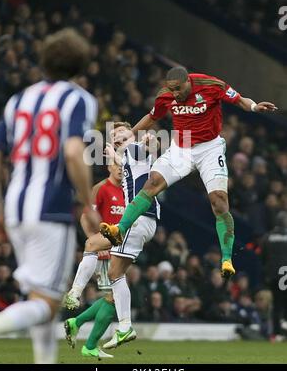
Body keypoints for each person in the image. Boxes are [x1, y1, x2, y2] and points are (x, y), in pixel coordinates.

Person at [0, 28, 99, 364]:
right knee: (48, 303)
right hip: (52, 210)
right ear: (81, 66)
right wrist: (87, 202)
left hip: (16, 208)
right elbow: (73, 151)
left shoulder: (18, 100)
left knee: (41, 298)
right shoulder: (79, 99)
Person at [100, 66, 277, 278]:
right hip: (181, 147)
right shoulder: (165, 95)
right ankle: (119, 230)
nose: (174, 94)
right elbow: (152, 116)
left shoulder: (211, 85)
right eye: (171, 90)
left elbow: (239, 99)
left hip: (210, 148)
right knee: (152, 182)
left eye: (178, 89)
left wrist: (255, 106)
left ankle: (227, 259)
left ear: (188, 82)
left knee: (219, 201)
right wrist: (130, 132)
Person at [65, 122, 159, 349]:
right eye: (114, 135)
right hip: (146, 221)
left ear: (132, 135)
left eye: (121, 134)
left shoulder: (135, 148)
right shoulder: (127, 158)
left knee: (92, 245)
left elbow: (148, 146)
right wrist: (114, 155)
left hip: (137, 220)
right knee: (116, 276)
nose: (117, 137)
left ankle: (75, 295)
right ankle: (122, 328)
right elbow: (128, 166)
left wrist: (150, 142)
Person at [63, 163, 124, 310]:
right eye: (117, 165)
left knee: (113, 298)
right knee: (111, 297)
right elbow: (85, 217)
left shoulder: (126, 191)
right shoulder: (101, 188)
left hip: (118, 249)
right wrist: (94, 240)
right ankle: (74, 297)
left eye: (124, 166)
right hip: (103, 250)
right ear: (109, 167)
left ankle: (77, 322)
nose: (121, 169)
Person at [261, 211, 287, 339]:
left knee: (277, 304)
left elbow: (263, 257)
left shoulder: (267, 237)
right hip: (286, 274)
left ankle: (276, 333)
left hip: (273, 275)